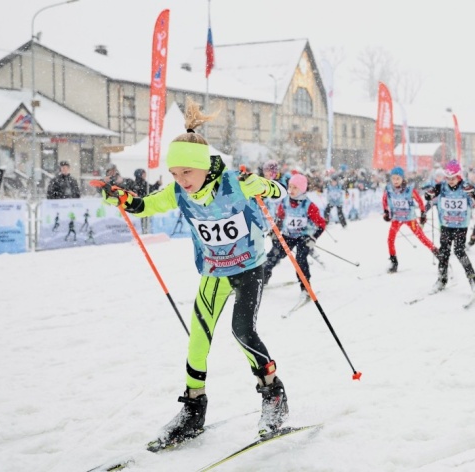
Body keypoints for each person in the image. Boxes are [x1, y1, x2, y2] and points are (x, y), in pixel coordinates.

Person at [98, 98, 290, 449]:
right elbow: (145, 205)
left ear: (203, 166)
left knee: (242, 331)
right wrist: (122, 199)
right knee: (197, 340)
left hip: (248, 267)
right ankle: (193, 407)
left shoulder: (235, 183)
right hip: (214, 272)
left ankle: (273, 394)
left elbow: (280, 191)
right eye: (174, 173)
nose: (180, 180)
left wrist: (262, 185)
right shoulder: (179, 193)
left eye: (186, 172)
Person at [263, 173, 326, 304]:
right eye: (290, 186)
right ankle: (263, 279)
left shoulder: (309, 205)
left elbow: (321, 224)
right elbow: (280, 217)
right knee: (273, 255)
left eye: (295, 187)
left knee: (300, 260)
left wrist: (313, 238)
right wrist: (275, 230)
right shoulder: (285, 201)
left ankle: (305, 288)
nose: (291, 190)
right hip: (288, 235)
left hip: (304, 237)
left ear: (302, 189)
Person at [424, 160, 475, 293]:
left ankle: (474, 280)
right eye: (448, 178)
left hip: (461, 225)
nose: (450, 181)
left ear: (459, 176)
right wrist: (429, 195)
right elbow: (428, 195)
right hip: (446, 225)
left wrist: (473, 192)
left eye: (453, 178)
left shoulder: (465, 186)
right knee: (444, 252)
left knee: (459, 251)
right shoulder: (441, 187)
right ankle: (441, 279)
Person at [383, 166, 438, 273]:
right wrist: (386, 211)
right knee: (390, 239)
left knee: (421, 237)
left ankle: (438, 254)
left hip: (409, 218)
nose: (395, 181)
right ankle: (394, 262)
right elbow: (384, 200)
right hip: (396, 219)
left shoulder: (409, 190)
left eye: (398, 178)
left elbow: (419, 201)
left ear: (402, 179)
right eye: (393, 178)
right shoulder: (389, 189)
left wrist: (423, 213)